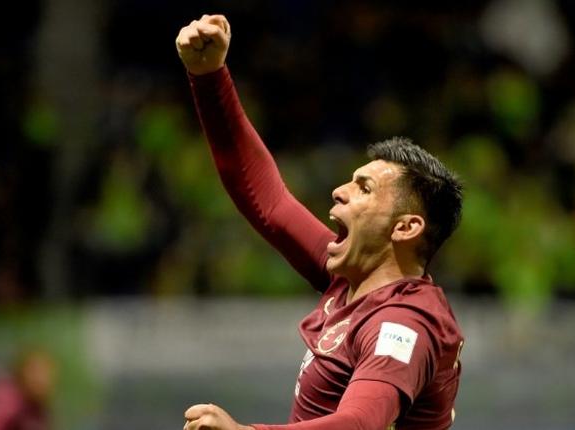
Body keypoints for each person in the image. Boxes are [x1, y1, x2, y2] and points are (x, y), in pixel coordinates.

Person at [176, 14, 465, 430]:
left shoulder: (402, 324)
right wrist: (208, 77)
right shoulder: (352, 281)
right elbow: (268, 200)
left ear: (406, 228)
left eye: (364, 188)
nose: (339, 191)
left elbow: (361, 423)